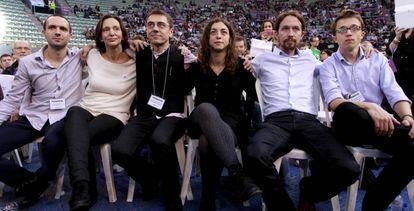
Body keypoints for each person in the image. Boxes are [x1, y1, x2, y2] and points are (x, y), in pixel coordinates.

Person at [246, 10, 360, 211]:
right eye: (285, 29)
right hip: (276, 122)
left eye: (295, 29)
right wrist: (244, 60)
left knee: (349, 169)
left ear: (302, 34)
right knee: (254, 155)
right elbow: (239, 66)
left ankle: (309, 190)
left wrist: (364, 47)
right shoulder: (262, 60)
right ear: (276, 34)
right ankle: (284, 206)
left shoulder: (314, 61)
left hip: (309, 122)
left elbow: (343, 61)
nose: (290, 33)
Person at [319, 9, 414, 210]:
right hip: (349, 127)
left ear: (362, 33)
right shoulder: (328, 65)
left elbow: (394, 92)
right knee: (347, 110)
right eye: (342, 29)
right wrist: (370, 107)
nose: (349, 33)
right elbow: (334, 101)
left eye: (354, 28)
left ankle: (373, 203)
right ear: (335, 36)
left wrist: (407, 115)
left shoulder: (377, 59)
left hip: (380, 128)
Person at [0, 15, 84, 210]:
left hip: (65, 116)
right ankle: (32, 182)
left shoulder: (79, 57)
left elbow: (109, 48)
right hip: (34, 116)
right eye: (52, 27)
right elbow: (13, 98)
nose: (57, 32)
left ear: (70, 35)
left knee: (52, 143)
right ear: (44, 32)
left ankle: (37, 183)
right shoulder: (27, 62)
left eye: (63, 29)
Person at [110, 9, 187, 211]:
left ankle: (172, 195)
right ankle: (151, 178)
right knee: (119, 150)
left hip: (172, 115)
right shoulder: (138, 52)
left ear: (171, 31)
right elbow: (106, 47)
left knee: (160, 140)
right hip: (144, 115)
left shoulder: (182, 55)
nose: (155, 28)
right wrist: (89, 47)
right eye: (151, 25)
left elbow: (210, 61)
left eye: (161, 25)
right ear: (145, 29)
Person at [185, 17, 260, 211]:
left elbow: (257, 96)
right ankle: (238, 174)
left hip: (230, 124)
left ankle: (207, 199)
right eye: (214, 32)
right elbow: (178, 89)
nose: (218, 35)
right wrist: (180, 61)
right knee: (205, 108)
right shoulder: (196, 66)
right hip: (198, 120)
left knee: (207, 141)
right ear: (207, 39)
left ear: (230, 39)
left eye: (223, 32)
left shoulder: (242, 67)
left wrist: (259, 68)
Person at [64, 14, 135, 210]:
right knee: (73, 113)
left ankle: (83, 189)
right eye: (106, 29)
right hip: (87, 106)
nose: (111, 32)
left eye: (115, 28)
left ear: (122, 33)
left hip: (115, 113)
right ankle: (83, 185)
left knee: (78, 137)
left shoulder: (136, 59)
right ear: (100, 36)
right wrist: (87, 47)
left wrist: (138, 42)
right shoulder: (92, 55)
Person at [388, 27, 414, 105]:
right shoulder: (395, 31)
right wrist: (397, 37)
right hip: (399, 73)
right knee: (402, 98)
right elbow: (389, 52)